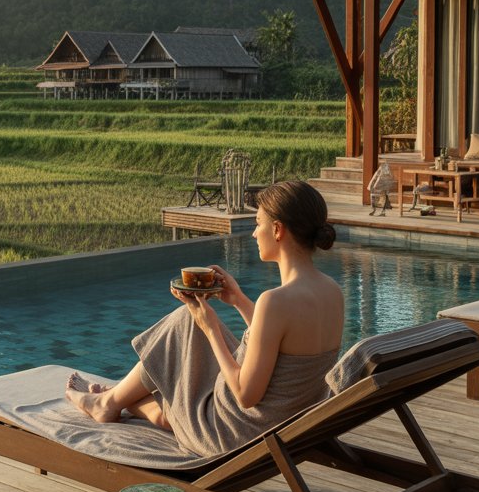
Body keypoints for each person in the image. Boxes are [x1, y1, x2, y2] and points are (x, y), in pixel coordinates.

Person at [65, 179, 344, 458]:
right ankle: (115, 400)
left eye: (258, 224)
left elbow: (246, 396)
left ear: (278, 229)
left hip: (235, 434)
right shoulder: (332, 291)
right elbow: (285, 350)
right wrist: (238, 300)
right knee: (188, 329)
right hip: (279, 427)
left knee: (184, 322)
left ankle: (110, 401)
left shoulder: (275, 301)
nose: (254, 234)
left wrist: (209, 328)